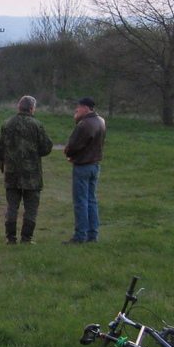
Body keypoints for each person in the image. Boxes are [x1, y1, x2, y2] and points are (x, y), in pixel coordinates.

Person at [0, 95, 53, 244]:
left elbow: (0, 147)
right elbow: (46, 147)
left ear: (18, 107)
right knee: (31, 207)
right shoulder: (37, 125)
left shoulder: (7, 124)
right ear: (32, 108)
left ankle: (10, 238)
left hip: (12, 173)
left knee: (12, 206)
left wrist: (3, 165)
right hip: (32, 174)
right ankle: (27, 238)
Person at [64, 95, 107, 244]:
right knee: (91, 200)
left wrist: (68, 154)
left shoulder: (84, 124)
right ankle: (93, 235)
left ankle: (80, 236)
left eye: (79, 107)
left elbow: (73, 145)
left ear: (86, 108)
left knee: (80, 201)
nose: (77, 109)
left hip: (83, 166)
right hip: (95, 165)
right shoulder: (101, 121)